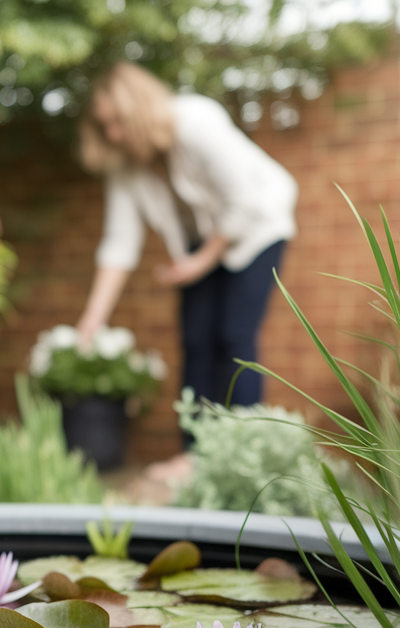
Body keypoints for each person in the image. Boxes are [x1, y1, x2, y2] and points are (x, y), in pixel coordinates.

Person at [74, 61, 297, 471]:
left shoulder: (195, 120)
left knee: (234, 338)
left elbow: (244, 200)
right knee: (195, 342)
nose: (113, 135)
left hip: (258, 227)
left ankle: (243, 456)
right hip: (198, 246)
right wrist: (92, 319)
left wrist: (201, 262)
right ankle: (194, 458)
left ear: (139, 109)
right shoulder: (125, 164)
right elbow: (120, 243)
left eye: (118, 122)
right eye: (104, 127)